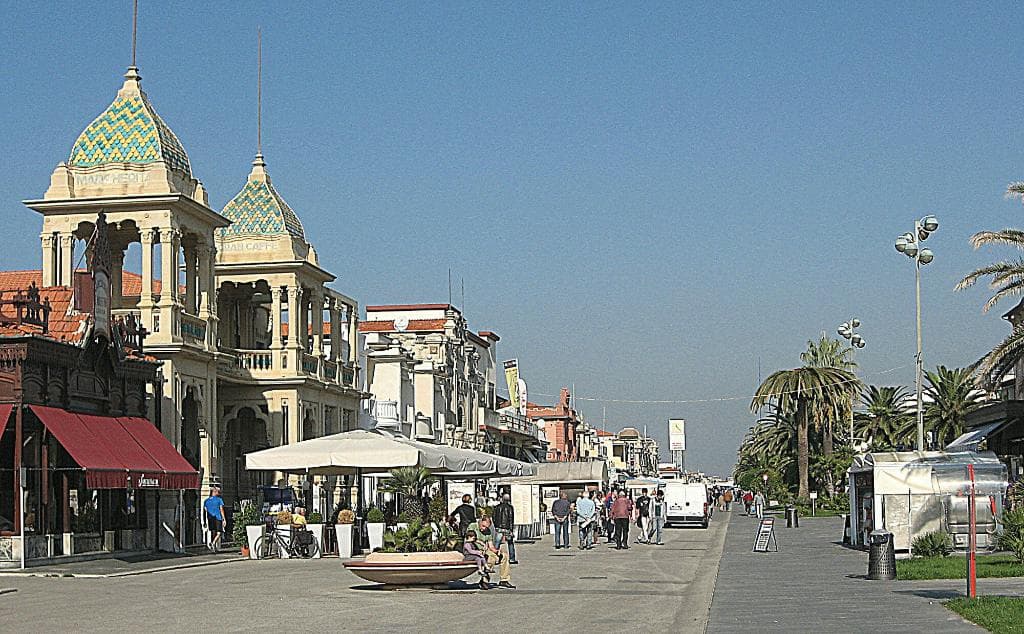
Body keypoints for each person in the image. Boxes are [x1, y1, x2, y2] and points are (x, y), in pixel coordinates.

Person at [466, 516, 514, 589]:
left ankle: (504, 580)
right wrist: (481, 543)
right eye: (483, 526)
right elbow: (469, 539)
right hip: (474, 550)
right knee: (491, 559)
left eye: (486, 527)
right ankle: (484, 581)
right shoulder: (472, 526)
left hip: (485, 550)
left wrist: (497, 551)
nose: (484, 528)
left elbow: (491, 546)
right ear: (480, 521)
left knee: (504, 556)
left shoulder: (488, 531)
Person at [492, 493, 518, 564]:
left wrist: (496, 526)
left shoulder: (497, 507)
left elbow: (493, 517)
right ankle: (512, 559)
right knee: (510, 543)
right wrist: (511, 529)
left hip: (499, 527)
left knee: (497, 543)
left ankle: (495, 559)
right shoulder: (510, 507)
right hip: (507, 528)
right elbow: (511, 519)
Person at [203, 486, 226, 552]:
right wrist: (224, 518)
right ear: (214, 492)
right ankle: (213, 543)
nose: (218, 493)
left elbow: (204, 511)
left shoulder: (206, 501)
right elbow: (221, 509)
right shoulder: (219, 500)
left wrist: (204, 520)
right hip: (218, 517)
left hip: (210, 518)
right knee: (219, 533)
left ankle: (214, 548)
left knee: (213, 532)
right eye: (217, 492)